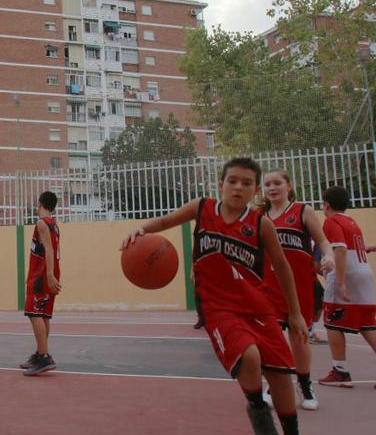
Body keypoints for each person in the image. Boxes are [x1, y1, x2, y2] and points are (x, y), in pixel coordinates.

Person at [122, 158, 305, 435]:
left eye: (246, 183)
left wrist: (295, 313)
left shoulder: (261, 225)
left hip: (257, 307)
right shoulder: (203, 208)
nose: (238, 188)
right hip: (218, 307)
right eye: (232, 181)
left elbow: (282, 268)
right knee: (250, 356)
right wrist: (142, 229)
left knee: (281, 377)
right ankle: (259, 412)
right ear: (221, 184)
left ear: (255, 191)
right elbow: (165, 219)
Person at [257, 169, 335, 410]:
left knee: (299, 339)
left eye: (277, 183)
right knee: (270, 339)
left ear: (288, 186)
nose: (272, 187)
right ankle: (274, 383)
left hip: (300, 286)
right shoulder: (260, 217)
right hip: (270, 286)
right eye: (268, 184)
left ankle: (304, 383)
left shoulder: (303, 211)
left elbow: (322, 241)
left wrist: (329, 255)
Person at [316, 186, 376, 389]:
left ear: (326, 204)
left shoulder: (331, 221)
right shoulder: (352, 222)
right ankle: (340, 372)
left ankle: (340, 372)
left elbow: (340, 250)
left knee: (333, 323)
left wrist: (340, 283)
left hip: (346, 276)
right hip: (364, 275)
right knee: (367, 325)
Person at [19, 191, 62, 376]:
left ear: (40, 204)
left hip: (41, 274)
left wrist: (49, 275)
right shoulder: (55, 225)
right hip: (48, 272)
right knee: (43, 314)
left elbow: (50, 250)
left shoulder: (41, 223)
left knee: (33, 312)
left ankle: (44, 356)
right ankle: (40, 353)